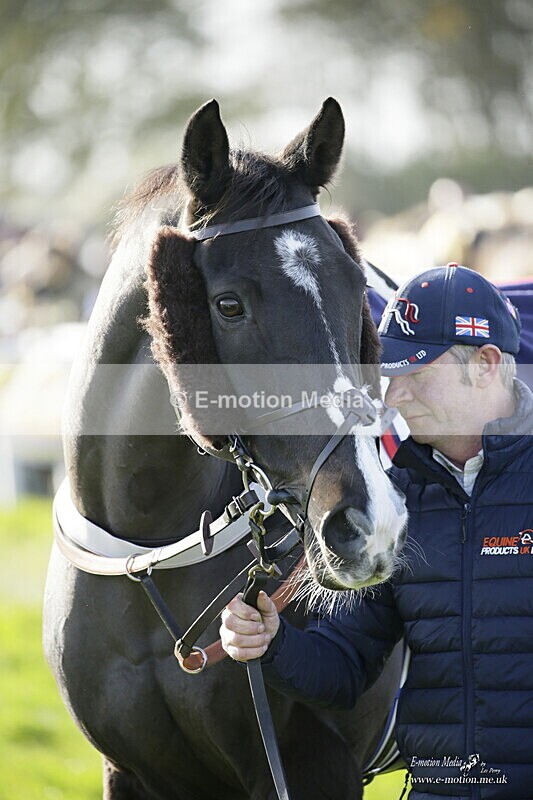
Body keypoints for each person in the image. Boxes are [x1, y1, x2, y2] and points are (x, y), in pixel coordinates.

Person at [220, 263, 533, 798]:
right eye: (390, 374)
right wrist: (271, 644)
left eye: (415, 372)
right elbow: (344, 667)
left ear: (485, 365)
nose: (393, 398)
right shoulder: (398, 499)